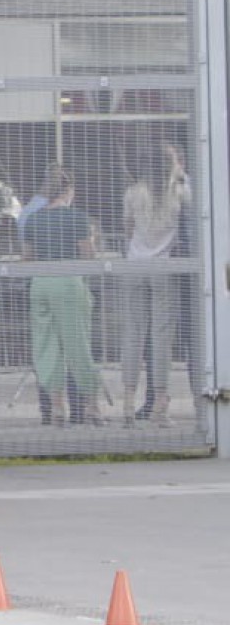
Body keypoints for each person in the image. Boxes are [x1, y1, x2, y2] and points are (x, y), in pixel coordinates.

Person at [120, 142, 192, 425]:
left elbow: (127, 229)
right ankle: (160, 404)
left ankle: (127, 402)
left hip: (135, 264)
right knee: (162, 336)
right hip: (164, 266)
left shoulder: (133, 193)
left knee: (133, 332)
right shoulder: (180, 193)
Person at [23, 165, 100, 427]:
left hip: (40, 283)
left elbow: (27, 258)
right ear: (68, 191)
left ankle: (57, 406)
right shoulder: (79, 218)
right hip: (68, 282)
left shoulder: (33, 219)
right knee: (77, 343)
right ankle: (91, 405)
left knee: (46, 345)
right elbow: (88, 256)